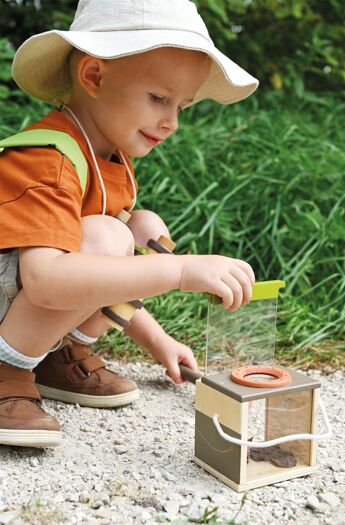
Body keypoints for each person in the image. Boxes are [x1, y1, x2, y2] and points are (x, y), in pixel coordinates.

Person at [0, 0, 258, 448]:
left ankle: (57, 356)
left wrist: (159, 341)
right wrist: (179, 272)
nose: (172, 122)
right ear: (95, 77)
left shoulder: (109, 158)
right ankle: (7, 370)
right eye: (159, 98)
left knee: (143, 230)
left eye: (183, 106)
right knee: (109, 235)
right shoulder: (50, 159)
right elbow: (44, 281)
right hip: (25, 288)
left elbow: (106, 276)